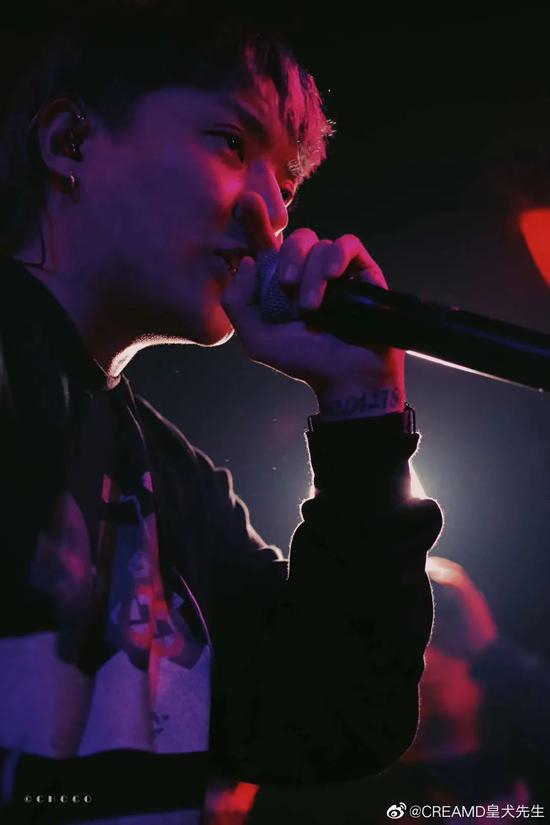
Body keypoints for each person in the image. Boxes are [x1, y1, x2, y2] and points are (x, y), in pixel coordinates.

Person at [0, 4, 443, 823]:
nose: (272, 218)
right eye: (233, 142)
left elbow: (332, 719)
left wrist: (362, 405)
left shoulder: (180, 487)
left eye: (289, 187)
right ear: (69, 142)